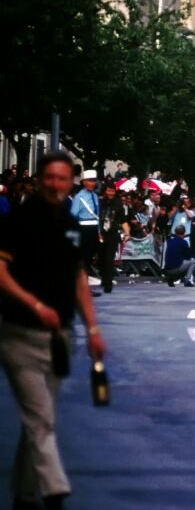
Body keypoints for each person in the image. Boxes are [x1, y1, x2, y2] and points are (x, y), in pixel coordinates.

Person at [0, 152, 107, 510]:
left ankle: (25, 495)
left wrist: (93, 328)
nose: (56, 184)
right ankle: (55, 491)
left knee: (39, 420)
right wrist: (35, 305)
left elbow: (78, 278)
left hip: (61, 337)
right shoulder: (18, 220)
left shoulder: (71, 223)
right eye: (50, 177)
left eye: (62, 178)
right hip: (20, 335)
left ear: (70, 182)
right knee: (41, 419)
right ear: (39, 179)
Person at [70, 169, 102, 296]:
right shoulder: (79, 197)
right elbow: (73, 215)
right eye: (89, 181)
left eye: (94, 181)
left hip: (93, 229)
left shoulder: (95, 195)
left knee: (89, 260)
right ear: (83, 182)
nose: (92, 183)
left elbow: (97, 216)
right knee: (83, 260)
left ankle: (86, 287)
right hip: (83, 229)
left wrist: (99, 231)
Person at [98, 185, 130, 294]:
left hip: (112, 235)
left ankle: (108, 284)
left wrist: (127, 233)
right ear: (105, 191)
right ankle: (104, 279)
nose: (110, 193)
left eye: (112, 191)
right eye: (109, 190)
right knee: (101, 259)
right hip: (100, 234)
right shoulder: (99, 202)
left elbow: (123, 220)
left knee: (109, 259)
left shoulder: (118, 204)